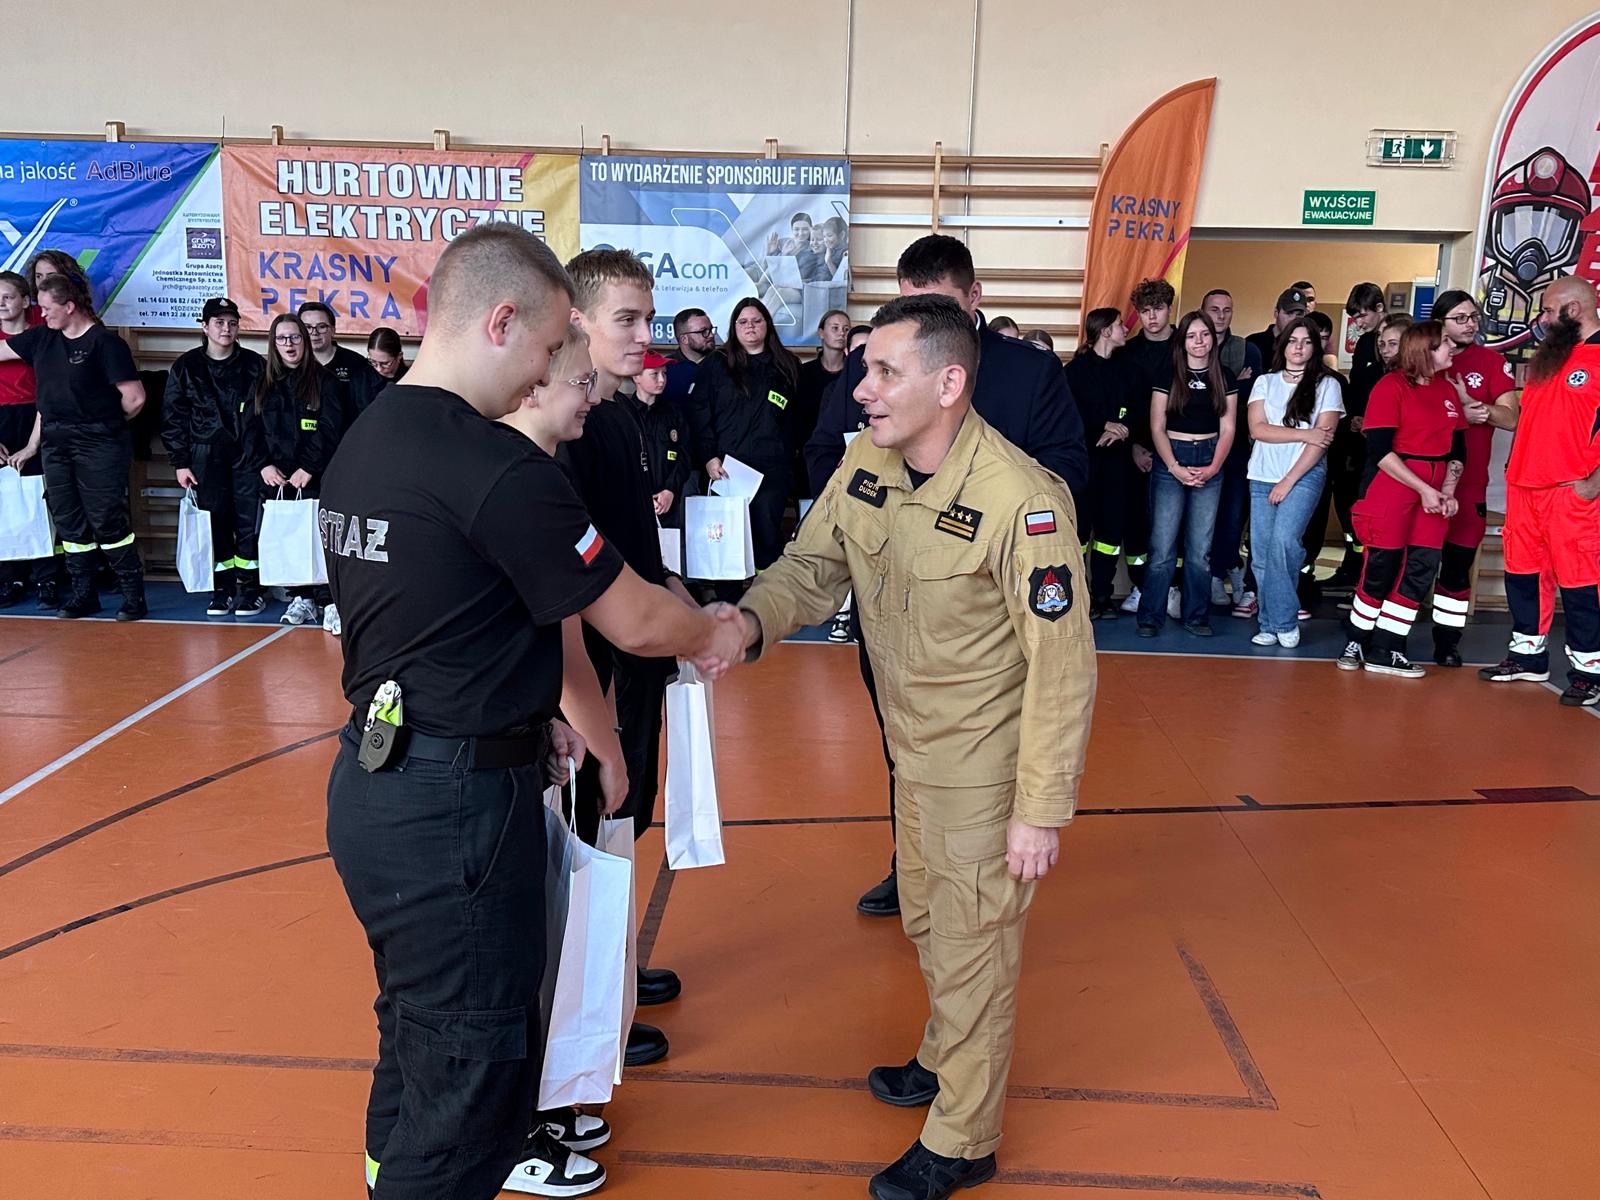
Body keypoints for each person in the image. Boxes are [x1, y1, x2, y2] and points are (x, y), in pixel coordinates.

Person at [320, 223, 745, 1200]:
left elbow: (433, 616)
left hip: (379, 787)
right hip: (454, 814)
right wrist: (715, 630)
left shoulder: (371, 438)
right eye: (552, 345)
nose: (552, 372)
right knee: (472, 1086)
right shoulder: (497, 467)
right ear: (501, 321)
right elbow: (636, 621)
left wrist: (521, 707)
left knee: (419, 1039)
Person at [736, 294, 1093, 1200]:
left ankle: (965, 1136)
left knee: (974, 946)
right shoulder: (868, 460)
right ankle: (944, 1054)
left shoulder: (1022, 503)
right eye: (865, 368)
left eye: (884, 371)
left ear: (948, 383)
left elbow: (1062, 667)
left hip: (983, 769)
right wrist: (743, 624)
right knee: (931, 922)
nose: (862, 388)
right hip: (910, 756)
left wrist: (1039, 811)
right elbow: (813, 567)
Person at [804, 234, 1088, 919]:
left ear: (973, 298)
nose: (920, 319)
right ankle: (913, 865)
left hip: (978, 609)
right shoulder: (877, 368)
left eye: (936, 304)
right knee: (903, 746)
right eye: (909, 304)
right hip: (893, 608)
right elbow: (827, 452)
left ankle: (978, 875)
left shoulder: (1027, 373)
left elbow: (1067, 473)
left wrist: (976, 496)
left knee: (980, 758)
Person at [565, 248, 700, 1067]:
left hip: (639, 655)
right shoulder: (571, 429)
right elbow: (581, 574)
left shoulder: (619, 417)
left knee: (627, 815)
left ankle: (614, 966)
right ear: (576, 319)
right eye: (627, 319)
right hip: (603, 666)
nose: (645, 334)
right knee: (596, 824)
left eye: (649, 318)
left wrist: (677, 592)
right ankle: (592, 995)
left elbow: (633, 547)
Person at [1478, 276, 1600, 706]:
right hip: (1524, 488)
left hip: (1571, 493)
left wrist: (1592, 485)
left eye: (1548, 311)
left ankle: (1589, 672)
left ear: (1573, 310)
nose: (1542, 319)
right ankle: (1527, 656)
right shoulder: (1549, 359)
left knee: (1581, 583)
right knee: (1523, 577)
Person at [0, 271, 147, 619]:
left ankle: (133, 595)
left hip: (99, 442)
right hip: (55, 441)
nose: (42, 314)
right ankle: (84, 594)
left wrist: (101, 424)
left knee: (106, 520)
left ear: (69, 306)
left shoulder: (105, 344)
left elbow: (135, 399)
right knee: (68, 520)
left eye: (47, 308)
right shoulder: (42, 338)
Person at [1338, 320, 1465, 677]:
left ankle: (1388, 648)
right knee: (1381, 567)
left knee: (1420, 568)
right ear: (1425, 350)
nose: (1452, 348)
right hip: (1396, 487)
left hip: (1436, 492)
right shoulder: (1390, 387)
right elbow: (1380, 450)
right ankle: (1357, 639)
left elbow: (1458, 448)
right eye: (1445, 343)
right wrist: (1424, 489)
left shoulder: (1447, 389)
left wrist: (1447, 491)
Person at [1427, 289, 1519, 667]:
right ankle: (1387, 638)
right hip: (1422, 480)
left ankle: (1447, 642)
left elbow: (1510, 418)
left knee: (1457, 565)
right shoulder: (1425, 357)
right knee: (1409, 563)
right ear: (1440, 323)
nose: (1470, 324)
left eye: (1473, 316)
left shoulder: (1492, 361)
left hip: (1469, 484)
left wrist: (1478, 408)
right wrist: (1457, 412)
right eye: (1460, 318)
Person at [162, 297, 269, 618]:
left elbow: (268, 415)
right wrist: (180, 462)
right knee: (215, 522)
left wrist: (265, 458)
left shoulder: (254, 364)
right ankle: (223, 589)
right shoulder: (186, 367)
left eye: (232, 323)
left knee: (249, 522)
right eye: (219, 322)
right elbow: (173, 417)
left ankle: (251, 590)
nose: (226, 329)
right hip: (205, 456)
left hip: (247, 455)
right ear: (205, 327)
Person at [1138, 311, 1237, 636]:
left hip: (1210, 457)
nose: (1199, 341)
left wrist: (1213, 467)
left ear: (1213, 338)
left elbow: (1228, 428)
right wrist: (1174, 467)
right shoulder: (1167, 373)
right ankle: (1150, 617)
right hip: (1172, 458)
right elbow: (1156, 426)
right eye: (1192, 336)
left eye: (1204, 335)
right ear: (1182, 341)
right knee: (1162, 546)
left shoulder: (1224, 376)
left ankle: (1196, 616)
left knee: (1200, 549)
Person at [1244, 318, 1342, 648]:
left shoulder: (1328, 385)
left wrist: (1288, 481)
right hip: (1262, 475)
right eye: (1293, 340)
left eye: (1306, 341)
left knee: (1285, 544)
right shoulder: (1265, 382)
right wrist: (1303, 433)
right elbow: (1258, 429)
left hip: (1303, 475)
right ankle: (1268, 623)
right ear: (1283, 345)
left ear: (1315, 347)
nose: (1298, 347)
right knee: (1261, 555)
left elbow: (1322, 440)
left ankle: (1284, 621)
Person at [244, 313, 341, 627]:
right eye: (282, 338)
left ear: (305, 341)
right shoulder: (262, 383)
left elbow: (330, 428)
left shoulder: (324, 381)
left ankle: (330, 601)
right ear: (274, 343)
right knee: (289, 539)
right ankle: (302, 598)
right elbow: (249, 429)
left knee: (320, 540)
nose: (289, 344)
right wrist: (263, 465)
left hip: (316, 477)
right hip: (278, 479)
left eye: (295, 337)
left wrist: (309, 467)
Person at [696, 296, 802, 578]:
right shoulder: (716, 364)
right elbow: (700, 414)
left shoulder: (788, 364)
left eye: (756, 320)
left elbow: (798, 420)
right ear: (734, 327)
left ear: (767, 324)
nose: (750, 326)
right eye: (743, 322)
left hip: (772, 470)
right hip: (725, 469)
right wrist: (708, 457)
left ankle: (764, 597)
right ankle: (727, 601)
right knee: (727, 540)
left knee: (767, 537)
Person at [1064, 306, 1141, 618]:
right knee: (1080, 533)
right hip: (1084, 465)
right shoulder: (1075, 372)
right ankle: (1079, 596)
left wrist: (1122, 429)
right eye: (1120, 324)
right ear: (1106, 331)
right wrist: (1102, 426)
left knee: (1110, 535)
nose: (1126, 329)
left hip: (1117, 466)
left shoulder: (1128, 369)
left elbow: (1138, 408)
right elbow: (1069, 415)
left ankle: (1102, 597)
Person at [1322, 283, 1390, 589]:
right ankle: (1353, 566)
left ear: (1380, 309)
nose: (1358, 323)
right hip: (1356, 438)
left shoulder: (1397, 345)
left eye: (1362, 316)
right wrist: (1353, 418)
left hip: (1382, 442)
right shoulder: (1364, 344)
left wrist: (1371, 421)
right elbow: (1360, 388)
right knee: (1350, 503)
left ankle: (1370, 576)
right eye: (1354, 317)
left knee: (1373, 506)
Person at [1200, 288, 1264, 613]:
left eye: (1227, 309)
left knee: (1233, 513)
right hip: (1198, 446)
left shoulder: (1246, 349)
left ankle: (1223, 570)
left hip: (1237, 448)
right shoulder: (1193, 345)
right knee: (1204, 517)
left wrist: (1228, 389)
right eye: (1215, 309)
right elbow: (1198, 401)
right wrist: (1231, 384)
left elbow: (1248, 399)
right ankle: (1219, 570)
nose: (1221, 315)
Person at [0, 270, 60, 610]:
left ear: (25, 301)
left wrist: (33, 443)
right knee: (5, 502)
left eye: (7, 297)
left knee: (39, 500)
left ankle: (46, 577)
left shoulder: (42, 337)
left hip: (37, 419)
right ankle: (10, 577)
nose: (1, 304)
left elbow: (49, 392)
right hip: (1, 421)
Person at [1117, 278, 1177, 616]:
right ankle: (1141, 585)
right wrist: (1134, 447)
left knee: (1175, 524)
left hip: (1180, 450)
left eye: (1158, 309)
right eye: (1145, 310)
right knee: (1137, 521)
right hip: (1137, 450)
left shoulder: (1186, 346)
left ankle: (1172, 587)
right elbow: (1121, 406)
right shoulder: (1127, 353)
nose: (1151, 317)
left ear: (1169, 309)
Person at [297, 301, 386, 433]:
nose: (314, 333)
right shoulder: (293, 364)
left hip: (348, 438)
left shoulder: (356, 363)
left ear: (333, 330)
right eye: (307, 327)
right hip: (305, 440)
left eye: (322, 327)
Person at [631, 349, 692, 527]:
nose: (662, 380)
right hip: (634, 501)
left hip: (670, 502)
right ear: (636, 377)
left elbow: (685, 454)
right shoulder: (625, 413)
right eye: (654, 374)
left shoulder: (674, 413)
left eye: (664, 374)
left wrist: (670, 489)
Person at [795, 309, 850, 497]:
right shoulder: (803, 374)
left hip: (844, 456)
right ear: (821, 333)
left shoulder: (854, 375)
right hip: (806, 456)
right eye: (835, 328)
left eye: (846, 329)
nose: (841, 333)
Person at [1246, 287, 1310, 378]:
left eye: (1299, 314)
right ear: (1276, 313)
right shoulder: (1253, 343)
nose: (1294, 319)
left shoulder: (1307, 347)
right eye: (1289, 313)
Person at [663, 306, 713, 409]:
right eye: (703, 331)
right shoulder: (666, 369)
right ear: (684, 339)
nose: (711, 335)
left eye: (711, 329)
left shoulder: (723, 363)